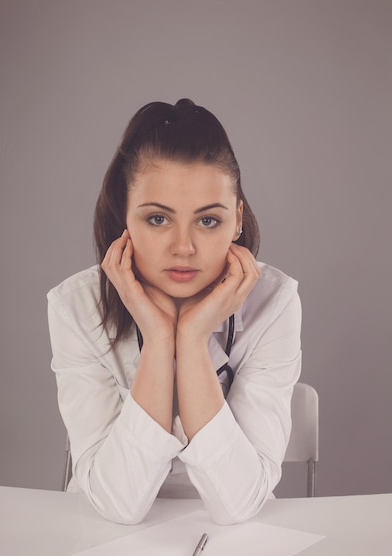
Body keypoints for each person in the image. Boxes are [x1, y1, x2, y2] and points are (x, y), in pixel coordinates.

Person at [47, 98, 301, 526]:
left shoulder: (273, 303)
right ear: (123, 218)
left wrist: (192, 336)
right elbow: (119, 505)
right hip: (104, 543)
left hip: (234, 545)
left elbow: (237, 504)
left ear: (237, 219)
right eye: (158, 219)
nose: (183, 248)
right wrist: (160, 340)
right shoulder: (76, 306)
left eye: (207, 221)